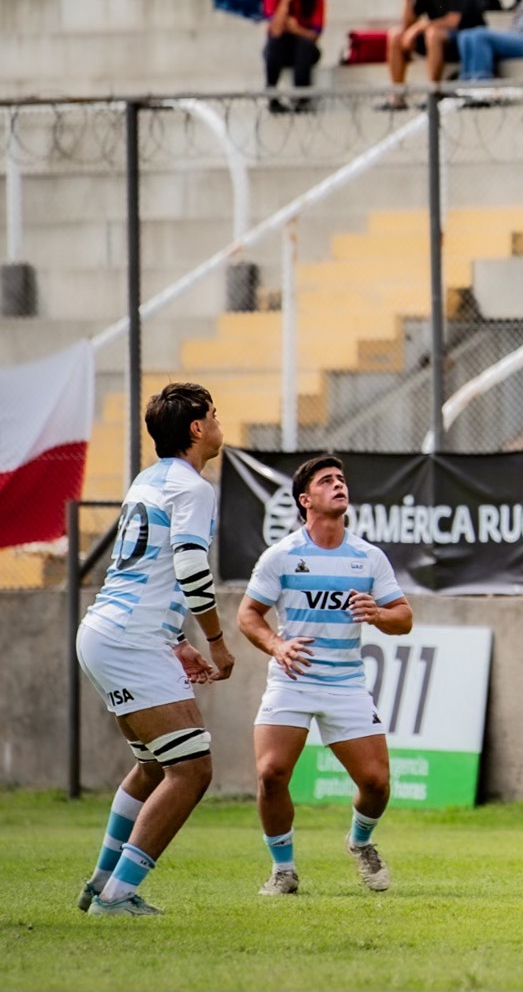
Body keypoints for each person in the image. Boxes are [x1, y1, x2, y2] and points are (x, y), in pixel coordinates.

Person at [74, 383, 236, 916]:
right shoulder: (193, 488)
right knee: (191, 769)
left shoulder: (150, 479)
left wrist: (177, 641)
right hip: (129, 640)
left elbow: (150, 573)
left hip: (108, 631)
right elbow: (189, 570)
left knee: (150, 767)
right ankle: (117, 896)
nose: (218, 423)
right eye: (213, 415)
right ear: (196, 428)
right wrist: (215, 641)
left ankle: (102, 880)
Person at [238, 455, 413, 897]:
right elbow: (248, 615)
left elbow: (404, 617)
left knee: (376, 783)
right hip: (292, 681)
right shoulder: (281, 556)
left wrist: (377, 614)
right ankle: (283, 870)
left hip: (345, 684)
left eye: (341, 479)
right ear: (305, 499)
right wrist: (277, 646)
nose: (339, 485)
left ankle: (360, 841)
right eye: (327, 481)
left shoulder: (368, 557)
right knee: (271, 774)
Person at [384, 0, 486, 110]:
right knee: (395, 34)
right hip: (434, 39)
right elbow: (408, 23)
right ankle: (397, 96)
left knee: (433, 35)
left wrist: (420, 27)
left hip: (462, 39)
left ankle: (433, 92)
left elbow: (453, 20)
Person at [261, 0, 324, 112]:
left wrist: (297, 30)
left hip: (306, 50)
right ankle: (272, 93)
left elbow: (315, 36)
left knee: (304, 44)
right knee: (276, 44)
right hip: (280, 50)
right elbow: (275, 31)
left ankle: (301, 97)